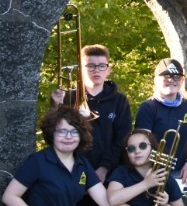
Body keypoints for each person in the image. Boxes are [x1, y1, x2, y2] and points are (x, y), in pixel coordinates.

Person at [51, 43, 131, 184]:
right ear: (80, 70)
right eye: (90, 66)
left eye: (101, 66)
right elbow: (53, 134)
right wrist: (55, 106)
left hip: (109, 173)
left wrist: (104, 168)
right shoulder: (68, 98)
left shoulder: (120, 101)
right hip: (72, 170)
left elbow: (122, 139)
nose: (96, 71)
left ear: (108, 69)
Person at [134, 58, 187, 191]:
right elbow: (141, 145)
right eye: (166, 76)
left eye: (177, 76)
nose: (171, 80)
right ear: (156, 80)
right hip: (155, 173)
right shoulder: (148, 107)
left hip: (182, 171)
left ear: (182, 80)